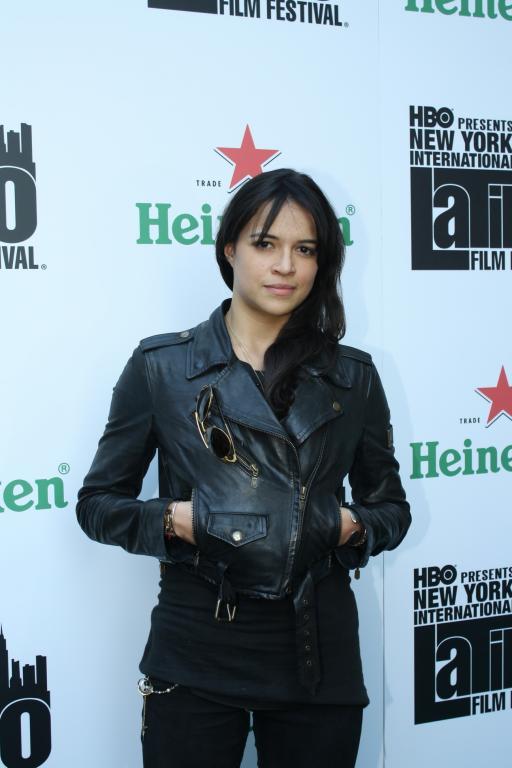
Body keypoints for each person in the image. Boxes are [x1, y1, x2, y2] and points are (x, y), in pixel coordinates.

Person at [76, 168, 411, 768]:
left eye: (305, 249)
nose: (285, 266)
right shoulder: (162, 367)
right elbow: (98, 505)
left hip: (319, 650)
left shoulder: (353, 376)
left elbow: (390, 509)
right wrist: (179, 520)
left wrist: (343, 525)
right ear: (230, 248)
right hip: (195, 648)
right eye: (265, 243)